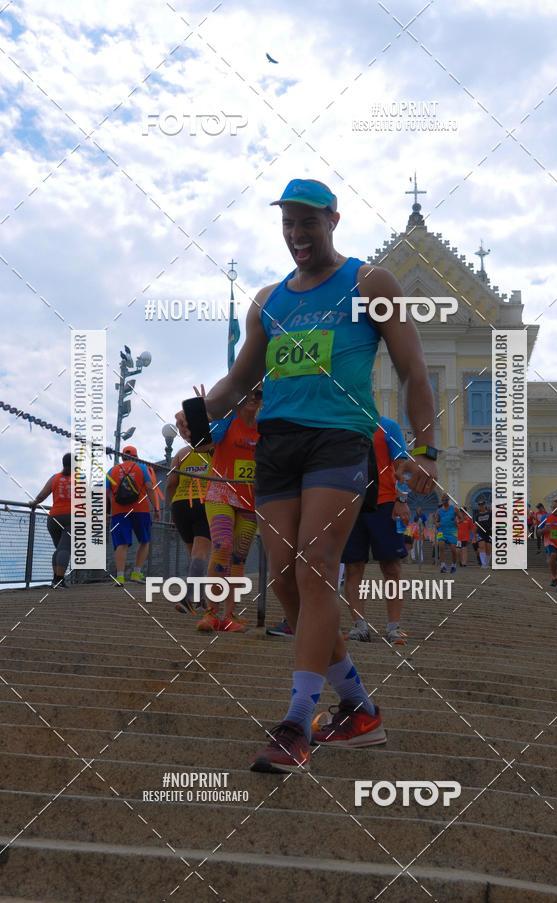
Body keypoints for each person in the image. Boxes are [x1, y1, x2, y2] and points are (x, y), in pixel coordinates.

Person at [176, 178, 436, 773]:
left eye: (308, 223)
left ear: (334, 221)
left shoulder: (371, 283)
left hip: (340, 439)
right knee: (288, 582)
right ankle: (360, 710)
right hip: (279, 446)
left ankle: (296, 722)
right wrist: (198, 414)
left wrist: (426, 450)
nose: (297, 234)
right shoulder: (268, 300)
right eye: (288, 223)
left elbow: (413, 371)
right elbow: (238, 382)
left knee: (318, 566)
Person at [342, 415, 413, 645]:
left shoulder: (388, 426)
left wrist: (401, 499)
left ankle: (394, 627)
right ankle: (360, 626)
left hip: (383, 503)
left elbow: (403, 463)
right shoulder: (341, 424)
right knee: (353, 568)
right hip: (351, 505)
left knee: (391, 567)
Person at [195, 390, 260, 633]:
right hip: (221, 493)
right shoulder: (227, 421)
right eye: (249, 392)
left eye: (259, 393)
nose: (254, 397)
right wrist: (201, 414)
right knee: (222, 545)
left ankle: (229, 614)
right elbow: (203, 445)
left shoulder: (265, 427)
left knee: (239, 557)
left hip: (250, 499)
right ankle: (211, 612)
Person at [167, 441, 214, 614]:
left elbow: (171, 483)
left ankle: (200, 599)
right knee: (200, 554)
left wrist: (173, 506)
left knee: (193, 554)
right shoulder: (213, 450)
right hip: (204, 502)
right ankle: (188, 598)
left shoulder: (181, 453)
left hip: (180, 504)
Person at [106, 445, 159, 585]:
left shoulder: (112, 470)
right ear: (136, 456)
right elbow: (149, 487)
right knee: (144, 540)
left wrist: (109, 510)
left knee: (121, 544)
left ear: (122, 456)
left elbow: (107, 493)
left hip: (119, 511)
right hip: (140, 509)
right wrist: (156, 508)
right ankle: (136, 573)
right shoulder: (141, 468)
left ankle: (120, 577)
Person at [29, 452, 72, 588]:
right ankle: (59, 580)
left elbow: (42, 495)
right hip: (71, 517)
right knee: (65, 549)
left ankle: (55, 580)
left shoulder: (55, 477)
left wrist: (34, 503)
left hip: (53, 518)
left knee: (59, 549)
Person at [435, 495, 458, 574]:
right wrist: (437, 524)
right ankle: (443, 566)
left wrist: (457, 522)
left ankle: (454, 565)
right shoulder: (439, 511)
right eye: (443, 500)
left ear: (448, 500)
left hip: (452, 531)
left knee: (453, 549)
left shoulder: (454, 509)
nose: (444, 502)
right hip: (441, 531)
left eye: (446, 500)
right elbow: (436, 521)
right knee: (441, 547)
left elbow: (461, 518)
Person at [476, 498, 492, 567]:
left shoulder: (490, 513)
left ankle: (486, 563)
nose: (481, 506)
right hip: (480, 532)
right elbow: (476, 525)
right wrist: (475, 535)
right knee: (481, 547)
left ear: (484, 505)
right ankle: (483, 564)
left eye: (482, 505)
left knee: (488, 548)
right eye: (480, 505)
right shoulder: (477, 515)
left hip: (489, 532)